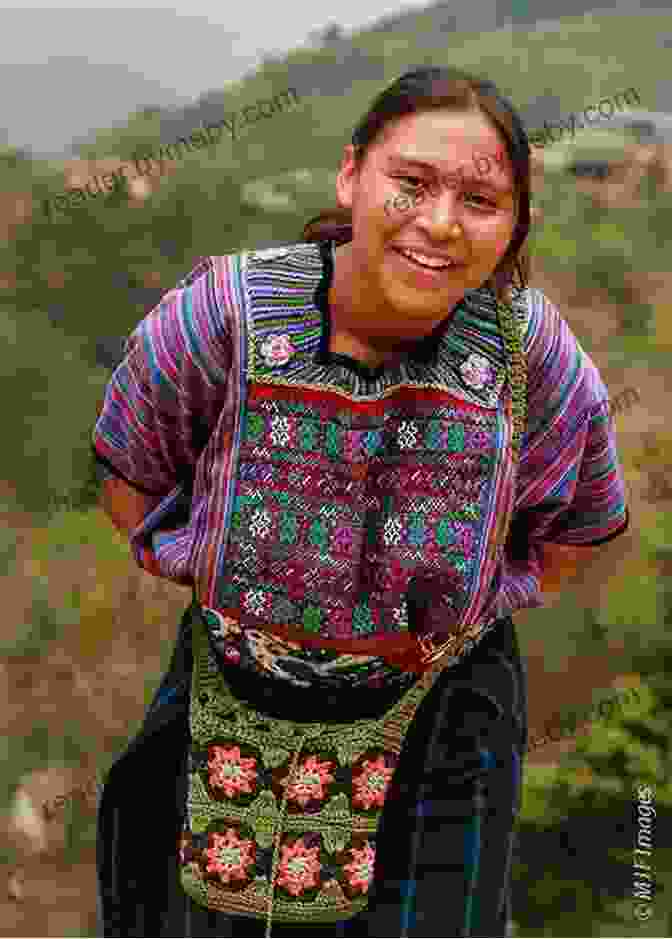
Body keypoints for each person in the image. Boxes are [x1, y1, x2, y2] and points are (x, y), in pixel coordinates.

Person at [92, 67, 630, 937]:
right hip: (229, 693)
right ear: (352, 177)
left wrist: (472, 610)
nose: (440, 223)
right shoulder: (223, 315)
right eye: (410, 183)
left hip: (445, 717)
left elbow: (572, 530)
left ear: (516, 223)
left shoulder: (536, 361)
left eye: (482, 201)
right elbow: (133, 475)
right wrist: (219, 573)